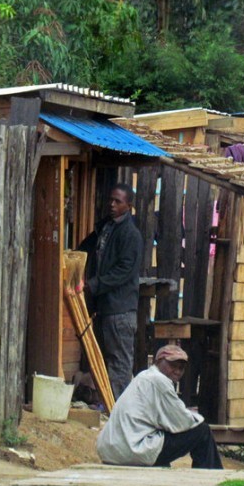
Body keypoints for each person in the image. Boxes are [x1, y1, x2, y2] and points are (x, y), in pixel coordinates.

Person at [96, 344, 223, 469]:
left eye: (181, 368)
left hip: (111, 450)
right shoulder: (159, 381)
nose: (177, 371)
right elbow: (182, 421)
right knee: (202, 431)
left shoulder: (144, 376)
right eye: (173, 366)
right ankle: (213, 477)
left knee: (165, 432)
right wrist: (197, 417)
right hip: (131, 449)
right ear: (158, 362)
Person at [79, 183, 143, 399]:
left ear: (129, 205)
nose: (112, 204)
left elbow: (124, 271)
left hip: (121, 309)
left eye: (118, 201)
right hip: (106, 308)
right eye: (111, 200)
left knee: (120, 363)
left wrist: (94, 285)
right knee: (104, 359)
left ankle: (118, 410)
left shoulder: (130, 234)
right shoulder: (107, 227)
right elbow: (86, 247)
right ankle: (107, 406)